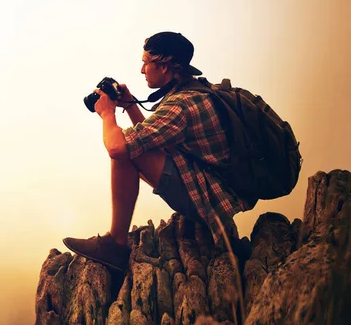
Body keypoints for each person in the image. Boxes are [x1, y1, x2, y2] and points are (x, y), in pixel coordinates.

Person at [63, 31, 253, 272]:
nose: (142, 70)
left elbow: (117, 147)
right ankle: (116, 242)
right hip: (217, 189)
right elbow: (156, 138)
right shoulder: (191, 91)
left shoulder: (182, 105)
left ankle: (115, 244)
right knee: (133, 146)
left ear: (164, 66)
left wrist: (107, 113)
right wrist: (130, 104)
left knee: (126, 151)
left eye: (145, 62)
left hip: (208, 199)